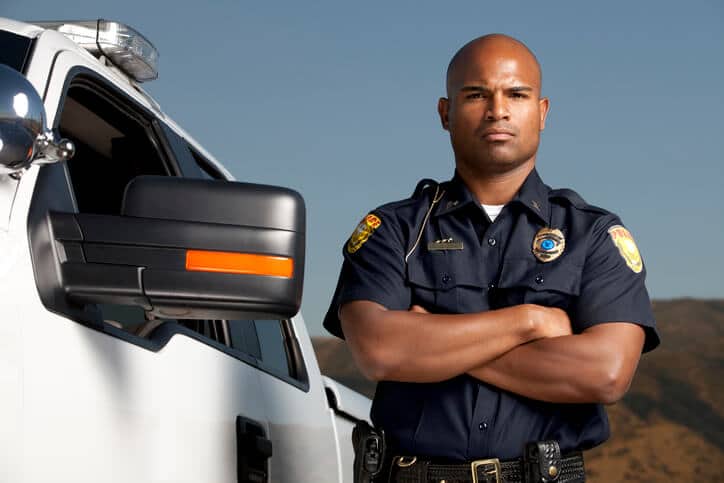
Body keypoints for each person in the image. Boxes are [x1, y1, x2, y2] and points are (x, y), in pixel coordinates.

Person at [324, 34, 659, 483]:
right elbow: (380, 351)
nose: (497, 110)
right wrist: (529, 323)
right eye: (476, 94)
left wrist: (431, 340)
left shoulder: (593, 235)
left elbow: (606, 373)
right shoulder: (395, 230)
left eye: (516, 94)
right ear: (446, 113)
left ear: (541, 113)